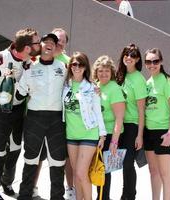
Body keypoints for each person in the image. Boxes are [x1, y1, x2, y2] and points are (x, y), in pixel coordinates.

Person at [0, 28, 41, 200]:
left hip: (18, 109)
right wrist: (1, 73)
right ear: (27, 47)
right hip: (1, 109)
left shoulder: (29, 63)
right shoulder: (1, 57)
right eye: (37, 43)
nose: (39, 45)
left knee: (16, 149)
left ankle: (7, 182)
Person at [16, 33, 67, 200]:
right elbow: (19, 94)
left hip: (57, 120)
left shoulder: (64, 68)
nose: (49, 44)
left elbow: (78, 84)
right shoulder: (30, 68)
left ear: (56, 48)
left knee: (57, 161)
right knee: (31, 159)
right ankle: (25, 195)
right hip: (34, 118)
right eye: (46, 42)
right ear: (41, 46)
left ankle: (57, 197)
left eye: (53, 42)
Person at [62, 51, 107, 200]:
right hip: (71, 134)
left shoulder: (91, 88)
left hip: (89, 133)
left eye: (80, 64)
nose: (77, 67)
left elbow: (98, 112)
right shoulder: (65, 85)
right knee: (76, 173)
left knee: (82, 173)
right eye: (74, 64)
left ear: (85, 67)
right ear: (70, 66)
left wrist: (102, 134)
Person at [143, 48, 170, 200]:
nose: (152, 65)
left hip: (163, 131)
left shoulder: (168, 81)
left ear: (161, 62)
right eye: (148, 62)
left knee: (165, 173)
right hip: (148, 132)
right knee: (153, 171)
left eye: (155, 61)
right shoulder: (148, 82)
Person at [115, 44, 147, 200]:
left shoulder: (139, 79)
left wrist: (139, 135)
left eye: (133, 55)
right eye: (127, 54)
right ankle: (124, 195)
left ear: (138, 59)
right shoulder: (119, 75)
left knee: (128, 163)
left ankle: (130, 196)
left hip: (132, 126)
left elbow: (142, 110)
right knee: (121, 164)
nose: (129, 57)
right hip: (118, 125)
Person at [93, 55, 125, 200]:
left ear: (111, 72)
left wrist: (114, 141)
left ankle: (103, 198)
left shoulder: (114, 89)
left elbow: (119, 117)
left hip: (111, 134)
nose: (103, 74)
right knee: (96, 167)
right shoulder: (96, 86)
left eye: (106, 71)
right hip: (97, 133)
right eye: (100, 71)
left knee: (104, 170)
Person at [52, 27, 76, 200]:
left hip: (64, 116)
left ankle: (70, 188)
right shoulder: (39, 57)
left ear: (66, 43)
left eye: (62, 41)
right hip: (40, 114)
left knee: (66, 156)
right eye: (56, 39)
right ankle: (33, 187)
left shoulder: (70, 62)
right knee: (39, 156)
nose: (59, 43)